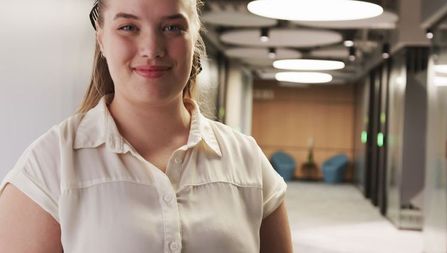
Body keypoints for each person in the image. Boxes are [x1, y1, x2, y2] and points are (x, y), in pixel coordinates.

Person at [0, 0, 293, 252]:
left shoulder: (248, 162)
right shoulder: (49, 165)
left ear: (194, 36)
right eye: (128, 27)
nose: (152, 48)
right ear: (101, 39)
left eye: (172, 27)